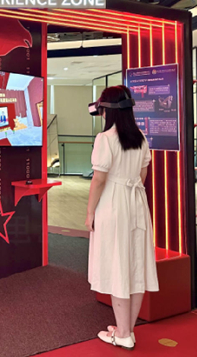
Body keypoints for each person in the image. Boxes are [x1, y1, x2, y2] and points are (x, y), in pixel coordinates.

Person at [85, 85, 158, 350]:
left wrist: (90, 212)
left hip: (113, 204)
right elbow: (142, 175)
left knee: (118, 265)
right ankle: (127, 329)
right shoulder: (140, 137)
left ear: (107, 110)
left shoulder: (105, 139)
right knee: (135, 265)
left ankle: (124, 333)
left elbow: (99, 179)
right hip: (137, 203)